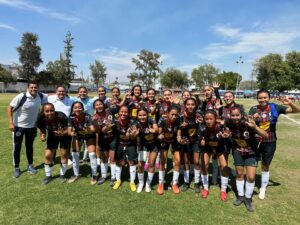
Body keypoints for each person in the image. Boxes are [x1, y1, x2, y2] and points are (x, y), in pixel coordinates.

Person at [249, 89, 300, 200]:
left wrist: (289, 103)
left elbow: (297, 110)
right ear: (257, 99)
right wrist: (253, 118)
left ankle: (263, 188)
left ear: (269, 98)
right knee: (252, 162)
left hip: (270, 140)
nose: (262, 100)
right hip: (255, 140)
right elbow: (250, 123)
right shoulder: (253, 109)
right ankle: (250, 183)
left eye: (265, 97)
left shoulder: (275, 107)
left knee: (265, 164)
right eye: (260, 98)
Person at [226, 106, 268, 212]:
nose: (235, 117)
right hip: (237, 152)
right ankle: (240, 196)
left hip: (251, 152)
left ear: (242, 115)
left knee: (251, 177)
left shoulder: (249, 123)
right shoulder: (228, 124)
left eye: (237, 115)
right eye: (233, 115)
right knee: (239, 174)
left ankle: (248, 198)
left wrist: (255, 127)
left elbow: (266, 135)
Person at [7, 81, 48, 178]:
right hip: (19, 127)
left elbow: (52, 95)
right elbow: (9, 108)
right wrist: (11, 122)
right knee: (17, 147)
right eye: (32, 87)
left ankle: (30, 166)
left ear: (38, 88)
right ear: (28, 88)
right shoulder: (21, 96)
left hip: (32, 127)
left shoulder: (41, 96)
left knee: (29, 147)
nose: (34, 89)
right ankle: (16, 168)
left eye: (35, 87)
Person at [199, 110, 230, 201]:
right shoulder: (202, 128)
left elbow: (228, 133)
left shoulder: (220, 126)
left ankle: (223, 190)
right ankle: (205, 188)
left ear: (215, 119)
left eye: (211, 119)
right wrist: (201, 142)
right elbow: (199, 142)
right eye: (206, 119)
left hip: (220, 148)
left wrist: (226, 135)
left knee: (224, 166)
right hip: (208, 147)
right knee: (204, 165)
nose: (208, 121)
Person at [36, 103, 70, 184]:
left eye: (51, 110)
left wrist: (62, 133)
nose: (50, 113)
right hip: (52, 135)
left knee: (64, 154)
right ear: (43, 112)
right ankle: (48, 176)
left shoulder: (62, 116)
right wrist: (43, 136)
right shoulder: (40, 119)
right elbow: (43, 130)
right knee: (48, 155)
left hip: (65, 136)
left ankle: (62, 175)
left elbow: (69, 129)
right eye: (47, 111)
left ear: (54, 110)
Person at [67, 102, 98, 184]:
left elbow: (93, 130)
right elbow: (69, 131)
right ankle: (76, 174)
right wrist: (72, 133)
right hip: (78, 135)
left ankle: (94, 175)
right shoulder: (71, 117)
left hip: (89, 136)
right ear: (73, 109)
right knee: (75, 154)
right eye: (75, 107)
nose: (77, 109)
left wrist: (88, 130)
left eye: (79, 107)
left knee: (92, 154)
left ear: (83, 109)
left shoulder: (88, 116)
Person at [177, 98, 203, 193]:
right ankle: (186, 182)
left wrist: (201, 122)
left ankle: (196, 183)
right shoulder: (181, 116)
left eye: (192, 104)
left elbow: (203, 127)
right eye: (188, 104)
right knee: (186, 161)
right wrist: (179, 136)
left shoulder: (199, 114)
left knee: (196, 161)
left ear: (195, 105)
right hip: (185, 141)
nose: (190, 106)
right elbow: (178, 128)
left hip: (196, 140)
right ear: (185, 105)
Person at [157, 106, 182, 195]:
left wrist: (179, 137)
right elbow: (159, 133)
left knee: (178, 161)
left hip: (174, 139)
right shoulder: (162, 120)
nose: (174, 116)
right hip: (164, 140)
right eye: (172, 114)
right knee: (163, 161)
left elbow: (179, 130)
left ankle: (174, 183)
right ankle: (161, 183)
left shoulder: (178, 119)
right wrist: (159, 136)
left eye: (176, 115)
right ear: (168, 113)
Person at [113, 106, 139, 191]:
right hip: (119, 144)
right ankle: (118, 180)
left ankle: (132, 181)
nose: (123, 114)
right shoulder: (115, 121)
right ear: (119, 112)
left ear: (129, 113)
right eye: (122, 112)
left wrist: (132, 134)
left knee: (132, 162)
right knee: (118, 162)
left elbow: (134, 132)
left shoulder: (133, 122)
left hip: (131, 144)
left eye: (126, 112)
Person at [93, 99, 117, 187]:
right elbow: (98, 131)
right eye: (97, 105)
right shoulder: (94, 117)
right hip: (102, 139)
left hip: (113, 138)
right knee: (104, 158)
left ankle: (113, 177)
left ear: (103, 105)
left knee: (112, 158)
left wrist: (116, 102)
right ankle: (103, 176)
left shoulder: (109, 111)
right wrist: (102, 128)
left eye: (100, 104)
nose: (99, 106)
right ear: (94, 107)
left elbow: (120, 108)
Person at [135, 108, 159, 193]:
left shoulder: (151, 120)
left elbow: (157, 129)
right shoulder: (136, 123)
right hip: (143, 145)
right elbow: (133, 129)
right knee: (141, 164)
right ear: (137, 116)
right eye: (140, 115)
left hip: (154, 144)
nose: (142, 117)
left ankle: (148, 184)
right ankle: (141, 183)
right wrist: (134, 133)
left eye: (144, 115)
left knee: (151, 163)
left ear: (147, 115)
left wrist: (154, 130)